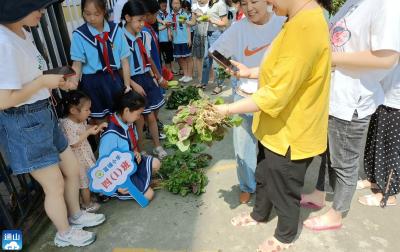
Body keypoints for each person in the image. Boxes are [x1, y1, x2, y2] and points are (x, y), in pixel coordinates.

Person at [215, 0, 331, 250]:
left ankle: (285, 236)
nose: (267, 2)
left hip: (292, 131)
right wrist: (250, 73)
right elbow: (281, 69)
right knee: (265, 174)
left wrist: (225, 109)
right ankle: (259, 214)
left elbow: (276, 94)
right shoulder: (298, 19)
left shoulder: (305, 28)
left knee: (284, 188)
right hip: (276, 127)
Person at [0, 0, 105, 247]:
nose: (43, 12)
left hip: (43, 115)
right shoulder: (3, 43)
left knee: (71, 169)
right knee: (54, 184)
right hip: (25, 122)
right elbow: (4, 100)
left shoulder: (21, 32)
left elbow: (33, 77)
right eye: (37, 7)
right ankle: (64, 233)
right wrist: (42, 84)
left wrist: (56, 81)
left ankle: (75, 215)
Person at [301, 0, 400, 231]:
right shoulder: (352, 3)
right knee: (327, 152)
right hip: (333, 94)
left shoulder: (387, 4)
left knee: (344, 162)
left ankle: (337, 213)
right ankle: (319, 193)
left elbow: (386, 58)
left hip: (352, 98)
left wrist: (329, 59)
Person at [209, 0, 285, 204]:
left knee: (274, 148)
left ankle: (275, 187)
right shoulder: (238, 28)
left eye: (254, 1)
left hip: (275, 97)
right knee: (243, 148)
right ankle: (247, 186)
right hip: (244, 96)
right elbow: (214, 51)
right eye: (244, 3)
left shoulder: (282, 22)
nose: (249, 8)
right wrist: (232, 70)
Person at [70, 0, 132, 122]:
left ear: (104, 11)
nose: (91, 18)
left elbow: (124, 61)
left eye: (96, 14)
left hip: (114, 81)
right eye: (87, 14)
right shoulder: (79, 35)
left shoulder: (116, 31)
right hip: (92, 84)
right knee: (99, 121)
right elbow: (77, 64)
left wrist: (127, 85)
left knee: (119, 117)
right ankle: (103, 141)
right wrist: (73, 86)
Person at [121, 0, 168, 159]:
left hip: (146, 78)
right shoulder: (120, 38)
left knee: (152, 116)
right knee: (139, 119)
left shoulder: (144, 35)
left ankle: (157, 146)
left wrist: (157, 76)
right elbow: (120, 67)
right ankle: (140, 150)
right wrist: (133, 85)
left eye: (143, 19)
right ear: (127, 18)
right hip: (132, 80)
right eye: (139, 20)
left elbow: (148, 58)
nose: (142, 24)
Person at [99, 90, 161, 201]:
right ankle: (118, 192)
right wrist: (117, 186)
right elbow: (103, 165)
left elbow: (130, 146)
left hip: (130, 164)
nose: (139, 117)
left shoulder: (126, 121)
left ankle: (142, 183)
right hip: (119, 175)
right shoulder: (110, 134)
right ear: (127, 110)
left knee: (156, 163)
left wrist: (135, 153)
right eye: (138, 114)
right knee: (147, 196)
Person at [358, 63, 400, 207]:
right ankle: (374, 179)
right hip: (383, 93)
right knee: (375, 141)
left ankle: (389, 194)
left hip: (397, 100)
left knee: (393, 150)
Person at [60, 91, 107, 213]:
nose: (90, 112)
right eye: (87, 110)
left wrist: (94, 127)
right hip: (77, 160)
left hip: (85, 154)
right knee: (84, 182)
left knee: (91, 175)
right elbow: (74, 142)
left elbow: (83, 128)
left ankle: (93, 196)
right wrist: (88, 132)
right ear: (74, 111)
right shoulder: (67, 124)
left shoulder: (79, 120)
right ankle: (87, 204)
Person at [197, 0, 229, 94]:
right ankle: (204, 82)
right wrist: (202, 16)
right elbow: (210, 17)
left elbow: (225, 23)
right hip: (209, 34)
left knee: (217, 62)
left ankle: (220, 85)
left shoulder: (221, 3)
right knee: (206, 59)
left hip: (217, 34)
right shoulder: (211, 4)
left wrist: (211, 20)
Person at [167, 0, 193, 83]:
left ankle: (190, 75)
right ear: (171, 4)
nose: (175, 5)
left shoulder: (183, 14)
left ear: (180, 4)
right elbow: (168, 25)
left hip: (184, 39)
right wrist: (169, 34)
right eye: (174, 3)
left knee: (188, 58)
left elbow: (188, 26)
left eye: (177, 3)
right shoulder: (170, 15)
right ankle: (185, 75)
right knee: (180, 59)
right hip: (176, 40)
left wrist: (189, 39)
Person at [191, 0, 209, 83]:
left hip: (209, 33)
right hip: (198, 32)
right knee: (198, 57)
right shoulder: (194, 6)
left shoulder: (211, 4)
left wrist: (202, 15)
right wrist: (186, 22)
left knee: (209, 57)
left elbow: (212, 18)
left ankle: (210, 77)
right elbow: (193, 22)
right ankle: (200, 77)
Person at [158, 0, 174, 72]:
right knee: (165, 58)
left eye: (165, 6)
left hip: (168, 40)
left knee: (169, 57)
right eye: (162, 6)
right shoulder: (157, 15)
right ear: (159, 5)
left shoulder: (169, 14)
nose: (164, 7)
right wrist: (166, 25)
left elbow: (170, 26)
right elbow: (157, 28)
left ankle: (170, 70)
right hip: (161, 40)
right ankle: (168, 72)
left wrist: (170, 35)